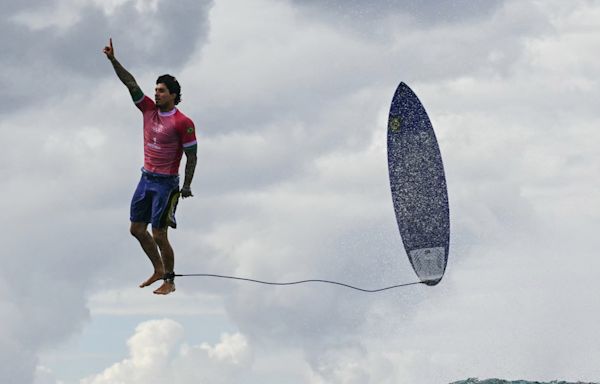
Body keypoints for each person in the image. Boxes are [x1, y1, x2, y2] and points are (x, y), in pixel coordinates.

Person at [103, 38, 197, 295]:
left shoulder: (183, 122)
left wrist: (187, 185)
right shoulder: (147, 109)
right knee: (136, 229)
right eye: (155, 90)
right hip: (146, 178)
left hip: (166, 184)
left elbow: (192, 156)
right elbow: (130, 83)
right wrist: (113, 60)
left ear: (174, 95)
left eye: (162, 91)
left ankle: (170, 280)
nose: (156, 94)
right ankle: (157, 269)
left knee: (159, 233)